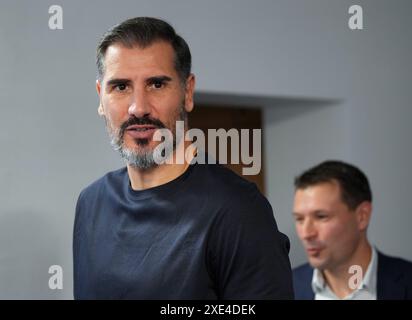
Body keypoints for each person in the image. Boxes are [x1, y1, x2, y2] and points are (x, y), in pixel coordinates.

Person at [73, 17, 293, 299]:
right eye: (121, 87)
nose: (138, 107)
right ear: (100, 97)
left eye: (156, 84)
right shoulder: (91, 203)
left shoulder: (237, 212)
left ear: (187, 92)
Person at [292, 160, 412, 300]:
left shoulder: (410, 282)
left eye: (321, 217)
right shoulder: (284, 287)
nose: (306, 234)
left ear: (362, 216)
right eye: (299, 219)